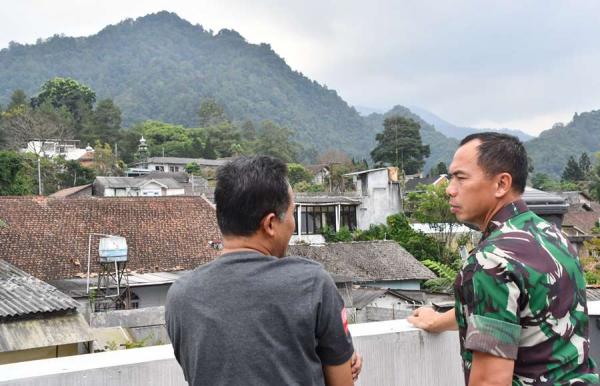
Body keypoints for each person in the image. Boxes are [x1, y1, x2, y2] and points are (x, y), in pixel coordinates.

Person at [408, 133, 599, 385]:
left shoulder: (491, 261)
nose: (450, 189)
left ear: (501, 184)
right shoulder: (553, 237)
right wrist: (437, 321)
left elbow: (490, 382)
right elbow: (505, 309)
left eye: (461, 178)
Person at [166, 156, 361, 386]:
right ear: (270, 224)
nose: (293, 224)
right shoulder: (312, 283)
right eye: (291, 214)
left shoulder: (180, 296)